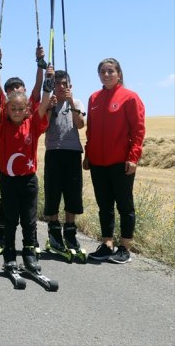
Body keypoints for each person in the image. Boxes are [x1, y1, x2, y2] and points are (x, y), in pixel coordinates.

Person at [0, 60, 52, 275]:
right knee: (11, 219)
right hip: (9, 180)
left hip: (28, 180)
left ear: (26, 111)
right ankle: (10, 256)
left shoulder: (32, 123)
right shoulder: (2, 124)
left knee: (29, 219)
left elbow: (43, 105)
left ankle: (29, 255)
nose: (16, 111)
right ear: (7, 109)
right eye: (12, 108)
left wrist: (47, 85)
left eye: (20, 109)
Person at [84, 58, 145, 264]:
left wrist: (133, 157)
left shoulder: (130, 97)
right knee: (104, 205)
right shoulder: (94, 98)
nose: (106, 74)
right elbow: (90, 131)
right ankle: (107, 244)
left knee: (125, 205)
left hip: (121, 162)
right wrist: (88, 155)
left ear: (119, 73)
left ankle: (125, 247)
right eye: (103, 71)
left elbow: (138, 130)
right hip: (98, 162)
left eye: (111, 71)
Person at [43, 70, 86, 258]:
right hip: (53, 152)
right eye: (58, 83)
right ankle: (54, 233)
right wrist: (49, 107)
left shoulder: (76, 102)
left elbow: (80, 124)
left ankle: (70, 232)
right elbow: (43, 125)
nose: (62, 87)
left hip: (73, 153)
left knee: (72, 193)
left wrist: (70, 101)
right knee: (53, 192)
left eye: (65, 83)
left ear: (70, 86)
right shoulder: (49, 103)